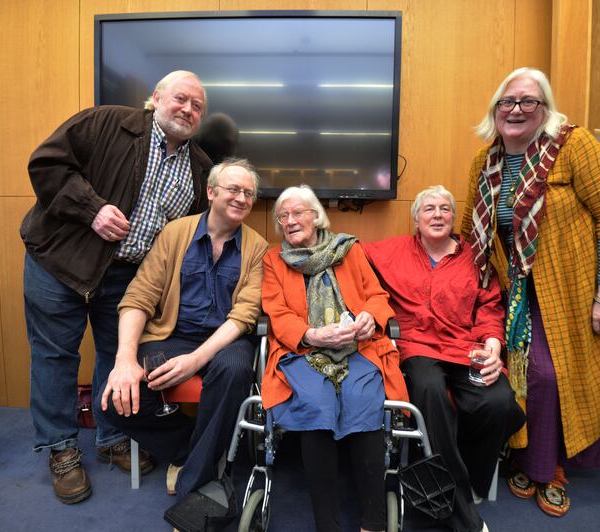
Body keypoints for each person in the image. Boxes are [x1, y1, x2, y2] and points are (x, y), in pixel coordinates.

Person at [21, 70, 212, 504]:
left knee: (117, 356)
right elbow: (45, 163)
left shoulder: (200, 168)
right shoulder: (106, 122)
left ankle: (112, 436)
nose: (187, 109)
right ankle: (61, 448)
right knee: (54, 355)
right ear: (155, 98)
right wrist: (91, 209)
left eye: (197, 105)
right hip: (60, 264)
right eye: (180, 98)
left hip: (127, 279)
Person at [460, 67, 600, 517]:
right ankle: (527, 457)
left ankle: (549, 467)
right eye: (507, 102)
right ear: (495, 111)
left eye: (528, 101)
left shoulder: (575, 146)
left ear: (545, 109)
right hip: (516, 290)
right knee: (521, 375)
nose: (516, 110)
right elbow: (469, 228)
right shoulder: (484, 162)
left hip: (579, 287)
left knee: (554, 376)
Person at [99, 158, 268, 523]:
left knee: (237, 369)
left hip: (225, 339)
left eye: (249, 193)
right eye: (233, 189)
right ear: (211, 192)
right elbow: (138, 297)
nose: (241, 198)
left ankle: (197, 490)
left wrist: (195, 361)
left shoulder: (258, 249)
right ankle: (194, 451)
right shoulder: (175, 234)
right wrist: (125, 360)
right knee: (113, 403)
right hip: (171, 335)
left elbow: (243, 316)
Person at [363, 185, 524, 532]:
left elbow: (490, 307)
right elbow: (347, 251)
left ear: (453, 218)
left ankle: (460, 480)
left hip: (466, 348)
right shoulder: (392, 250)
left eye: (445, 209)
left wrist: (494, 343)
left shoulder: (476, 257)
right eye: (429, 209)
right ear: (416, 220)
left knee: (500, 403)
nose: (437, 214)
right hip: (416, 347)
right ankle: (461, 511)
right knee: (429, 389)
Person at [261, 185, 408, 532]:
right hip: (302, 351)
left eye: (298, 213)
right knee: (317, 403)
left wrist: (370, 316)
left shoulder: (349, 250)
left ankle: (373, 522)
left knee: (364, 401)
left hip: (358, 347)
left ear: (316, 216)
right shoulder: (273, 259)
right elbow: (276, 312)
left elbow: (376, 295)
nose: (290, 221)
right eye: (283, 216)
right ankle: (327, 524)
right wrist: (311, 334)